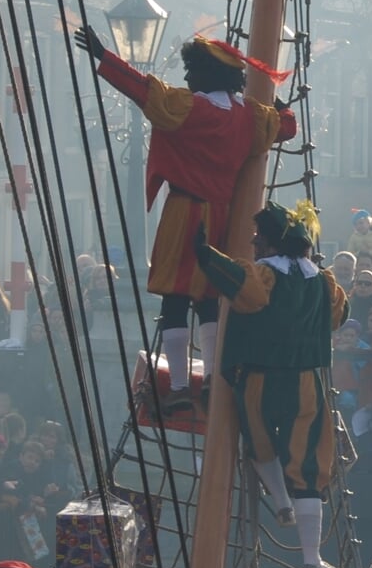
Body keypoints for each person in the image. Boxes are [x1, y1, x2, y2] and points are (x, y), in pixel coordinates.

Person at [73, 20, 296, 412]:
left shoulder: (189, 108)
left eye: (192, 70)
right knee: (209, 300)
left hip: (185, 210)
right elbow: (287, 127)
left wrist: (103, 56)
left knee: (174, 299)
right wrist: (278, 104)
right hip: (225, 217)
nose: (187, 76)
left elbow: (143, 90)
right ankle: (210, 378)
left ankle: (178, 386)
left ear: (206, 74)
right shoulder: (250, 116)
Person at [191, 199, 348, 568]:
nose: (254, 242)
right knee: (309, 461)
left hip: (259, 379)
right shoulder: (323, 281)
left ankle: (281, 504)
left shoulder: (264, 276)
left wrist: (203, 251)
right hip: (306, 382)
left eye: (260, 237)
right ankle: (312, 561)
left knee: (259, 440)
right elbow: (338, 316)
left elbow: (239, 285)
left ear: (274, 243)